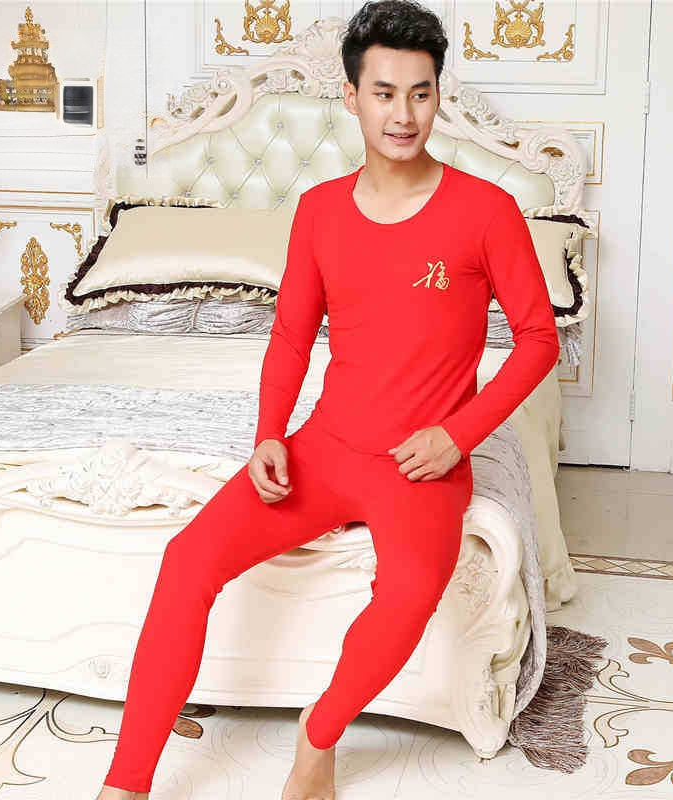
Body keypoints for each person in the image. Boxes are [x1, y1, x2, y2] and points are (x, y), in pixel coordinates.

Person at [97, 0, 560, 797]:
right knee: (186, 561)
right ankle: (126, 783)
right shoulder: (317, 212)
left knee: (409, 594)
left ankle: (318, 737)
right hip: (324, 448)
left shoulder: (487, 211)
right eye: (384, 93)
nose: (403, 114)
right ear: (351, 97)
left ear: (438, 95)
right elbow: (288, 336)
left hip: (419, 466)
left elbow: (539, 340)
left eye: (420, 93)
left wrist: (457, 435)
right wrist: (269, 434)